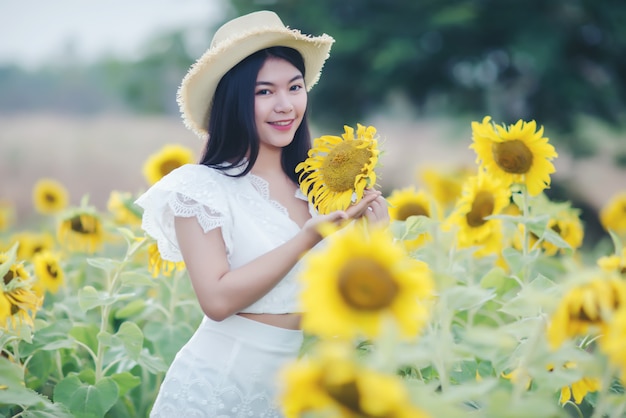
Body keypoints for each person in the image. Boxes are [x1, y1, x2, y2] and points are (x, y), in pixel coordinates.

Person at [135, 10, 389, 417]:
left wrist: (377, 241)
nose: (286, 105)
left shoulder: (320, 191)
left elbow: (341, 301)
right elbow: (216, 299)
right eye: (264, 92)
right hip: (218, 391)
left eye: (295, 87)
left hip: (301, 393)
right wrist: (307, 238)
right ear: (234, 101)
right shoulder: (201, 188)